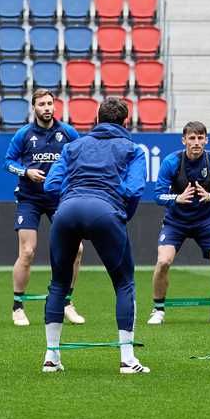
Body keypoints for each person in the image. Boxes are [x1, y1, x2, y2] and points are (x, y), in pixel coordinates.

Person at [40, 98, 151, 374]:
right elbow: (134, 190)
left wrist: (71, 199)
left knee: (58, 284)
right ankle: (127, 360)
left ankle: (51, 358)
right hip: (105, 211)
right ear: (125, 122)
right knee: (124, 283)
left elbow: (51, 185)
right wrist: (119, 212)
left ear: (97, 118)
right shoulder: (133, 149)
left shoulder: (73, 146)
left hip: (67, 211)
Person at [5, 89, 84, 327]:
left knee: (77, 250)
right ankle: (18, 306)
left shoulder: (68, 132)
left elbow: (81, 158)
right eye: (42, 104)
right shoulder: (24, 134)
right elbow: (8, 162)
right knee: (28, 251)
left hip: (59, 198)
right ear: (34, 108)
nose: (47, 108)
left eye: (50, 103)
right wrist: (25, 172)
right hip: (29, 197)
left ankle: (67, 302)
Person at [148, 121, 210, 326]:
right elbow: (158, 195)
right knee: (163, 262)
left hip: (206, 223)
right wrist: (177, 198)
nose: (196, 142)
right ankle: (158, 310)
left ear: (206, 140)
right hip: (175, 222)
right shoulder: (171, 162)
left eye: (200, 138)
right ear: (184, 140)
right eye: (192, 138)